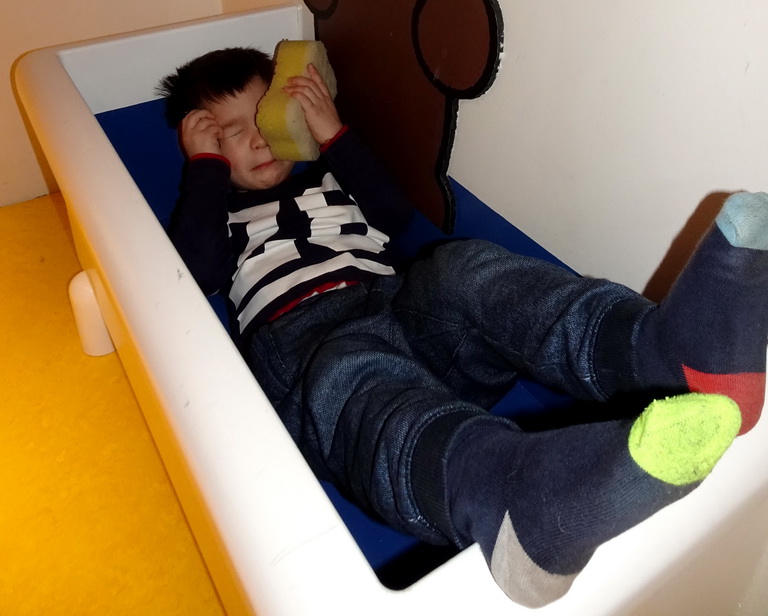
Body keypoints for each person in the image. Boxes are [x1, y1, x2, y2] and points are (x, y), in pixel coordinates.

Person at [159, 46, 768, 609]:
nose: (256, 139)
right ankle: (505, 495)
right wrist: (205, 172)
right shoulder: (219, 216)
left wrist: (331, 133)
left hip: (399, 311)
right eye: (229, 133)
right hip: (309, 359)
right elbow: (194, 270)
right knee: (351, 367)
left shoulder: (330, 184)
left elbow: (397, 216)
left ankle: (662, 354)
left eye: (263, 116)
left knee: (460, 267)